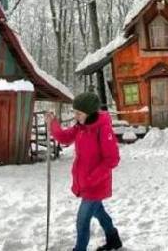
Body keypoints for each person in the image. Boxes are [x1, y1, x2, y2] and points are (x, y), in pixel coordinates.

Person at [46, 92, 123, 251]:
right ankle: (113, 239)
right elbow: (65, 137)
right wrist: (53, 123)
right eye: (74, 112)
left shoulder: (102, 129)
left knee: (82, 220)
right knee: (99, 212)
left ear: (90, 113)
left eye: (79, 113)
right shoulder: (81, 126)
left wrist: (91, 178)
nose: (75, 116)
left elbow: (112, 159)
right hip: (86, 182)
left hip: (96, 184)